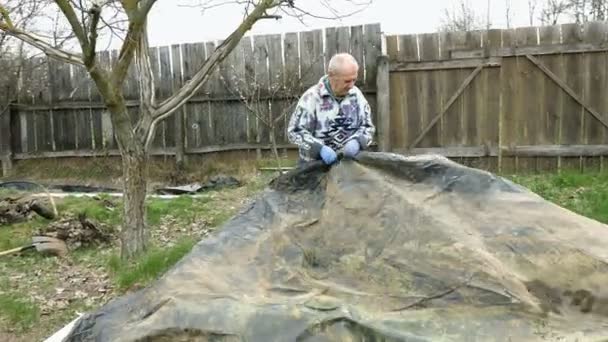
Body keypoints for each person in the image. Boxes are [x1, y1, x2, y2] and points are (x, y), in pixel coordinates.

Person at [287, 53, 375, 166]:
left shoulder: (357, 96)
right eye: (347, 81)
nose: (351, 85)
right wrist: (319, 149)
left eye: (354, 80)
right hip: (315, 167)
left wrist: (358, 141)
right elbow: (295, 131)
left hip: (350, 166)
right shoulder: (311, 98)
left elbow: (368, 127)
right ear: (331, 75)